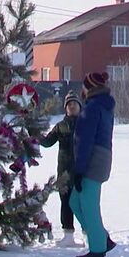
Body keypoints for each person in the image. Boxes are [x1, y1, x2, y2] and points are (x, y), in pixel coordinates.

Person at [70, 71, 118, 257]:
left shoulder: (92, 109)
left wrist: (79, 170)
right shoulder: (103, 106)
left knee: (89, 206)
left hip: (92, 161)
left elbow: (85, 141)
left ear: (89, 88)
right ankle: (102, 238)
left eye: (83, 86)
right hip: (101, 158)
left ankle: (98, 250)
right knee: (75, 201)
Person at [40, 91, 83, 247]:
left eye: (74, 104)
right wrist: (34, 134)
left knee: (83, 203)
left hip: (82, 171)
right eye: (69, 105)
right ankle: (68, 235)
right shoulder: (60, 126)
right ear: (65, 108)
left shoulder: (85, 124)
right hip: (64, 171)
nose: (72, 107)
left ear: (79, 107)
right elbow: (47, 142)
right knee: (65, 202)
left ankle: (87, 233)